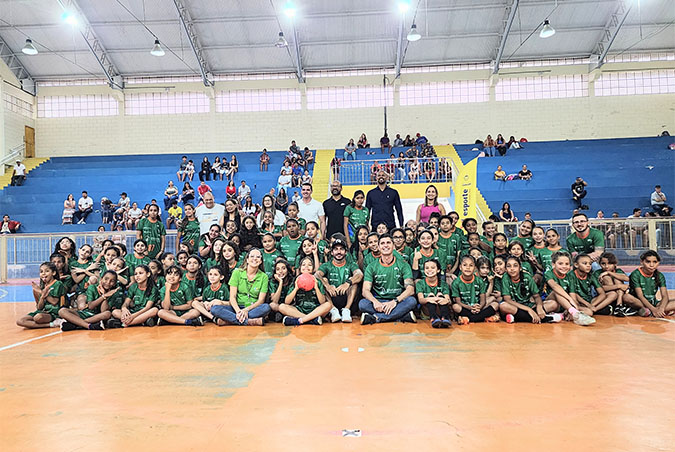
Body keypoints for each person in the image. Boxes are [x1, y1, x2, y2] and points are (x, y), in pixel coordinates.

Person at [359, 234, 417, 324]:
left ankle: (377, 318)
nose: (385, 245)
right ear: (378, 247)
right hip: (379, 300)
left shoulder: (404, 265)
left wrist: (395, 301)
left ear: (393, 246)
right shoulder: (371, 266)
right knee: (362, 304)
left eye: (388, 243)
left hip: (398, 301)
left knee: (411, 301)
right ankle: (400, 316)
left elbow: (410, 289)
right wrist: (375, 302)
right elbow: (365, 290)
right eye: (382, 243)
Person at [211, 248, 270, 326]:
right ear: (247, 260)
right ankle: (248, 321)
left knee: (266, 307)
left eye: (258, 257)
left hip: (252, 308)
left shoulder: (264, 277)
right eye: (252, 256)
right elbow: (232, 297)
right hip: (236, 306)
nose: (255, 259)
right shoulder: (237, 272)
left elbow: (261, 300)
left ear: (261, 261)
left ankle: (229, 321)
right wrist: (238, 311)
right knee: (215, 309)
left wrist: (246, 310)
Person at [316, 238, 363, 323]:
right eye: (336, 249)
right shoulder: (327, 265)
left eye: (341, 249)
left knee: (353, 281)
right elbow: (317, 275)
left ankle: (346, 310)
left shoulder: (351, 264)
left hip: (347, 297)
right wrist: (327, 286)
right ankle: (333, 310)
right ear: (332, 252)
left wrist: (347, 283)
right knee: (323, 280)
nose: (339, 252)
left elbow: (359, 275)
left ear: (346, 252)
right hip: (332, 297)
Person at [629, 250, 673, 317]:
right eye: (648, 262)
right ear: (642, 262)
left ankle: (647, 311)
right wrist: (654, 309)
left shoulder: (659, 275)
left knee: (668, 302)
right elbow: (640, 296)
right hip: (639, 302)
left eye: (655, 262)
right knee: (627, 297)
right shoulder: (635, 274)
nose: (652, 265)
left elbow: (665, 296)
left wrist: (661, 308)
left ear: (658, 263)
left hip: (654, 303)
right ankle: (648, 310)